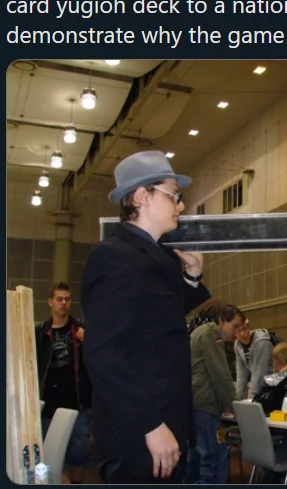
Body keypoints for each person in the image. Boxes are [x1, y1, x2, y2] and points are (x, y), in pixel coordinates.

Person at [81, 150, 211, 484]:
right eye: (174, 196)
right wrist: (150, 425)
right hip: (139, 433)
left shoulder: (157, 258)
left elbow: (154, 321)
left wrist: (192, 278)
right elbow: (104, 354)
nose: (180, 206)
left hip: (164, 424)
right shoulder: (114, 257)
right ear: (142, 196)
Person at [35, 282, 92, 484]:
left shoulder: (82, 330)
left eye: (67, 299)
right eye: (59, 299)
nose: (64, 303)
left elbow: (99, 361)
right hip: (48, 404)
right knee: (45, 450)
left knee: (80, 450)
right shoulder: (41, 332)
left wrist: (88, 342)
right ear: (50, 302)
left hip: (77, 402)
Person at [186, 300, 245, 484]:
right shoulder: (211, 332)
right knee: (213, 465)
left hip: (195, 406)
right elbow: (220, 375)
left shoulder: (198, 331)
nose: (236, 333)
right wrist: (236, 407)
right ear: (221, 320)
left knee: (195, 464)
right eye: (234, 326)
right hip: (206, 408)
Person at [234, 319, 274, 400]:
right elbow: (241, 375)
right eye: (238, 331)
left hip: (272, 382)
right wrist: (237, 400)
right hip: (261, 383)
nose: (243, 333)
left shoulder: (261, 343)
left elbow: (259, 374)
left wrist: (251, 400)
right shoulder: (237, 345)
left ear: (249, 327)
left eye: (244, 329)